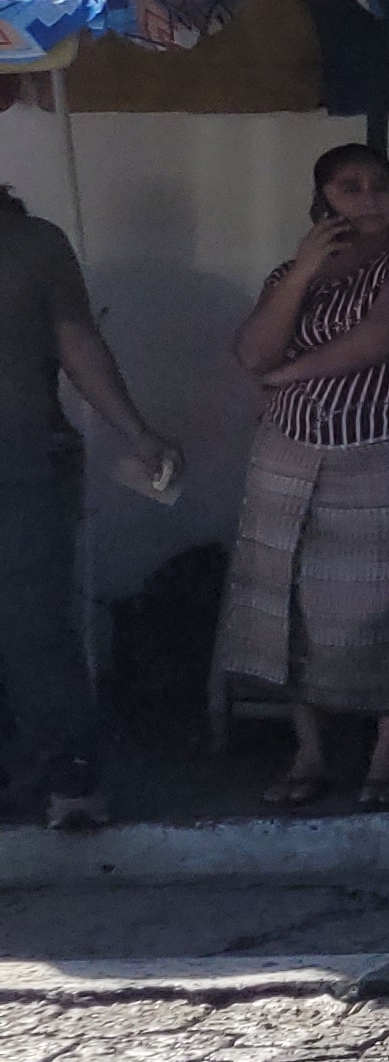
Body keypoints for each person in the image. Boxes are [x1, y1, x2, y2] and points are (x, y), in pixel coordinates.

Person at [221, 142, 389, 809]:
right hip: (292, 453)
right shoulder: (293, 273)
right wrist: (302, 273)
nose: (369, 199)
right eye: (350, 188)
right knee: (291, 601)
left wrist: (286, 376)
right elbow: (251, 349)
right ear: (322, 201)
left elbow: (377, 340)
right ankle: (311, 752)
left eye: (379, 185)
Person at [0, 180, 172, 832]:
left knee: (33, 623)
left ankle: (69, 774)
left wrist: (137, 429)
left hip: (19, 462)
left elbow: (76, 339)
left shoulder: (34, 244)